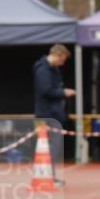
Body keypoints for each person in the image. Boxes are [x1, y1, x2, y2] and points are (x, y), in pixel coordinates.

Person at [33, 43, 75, 185]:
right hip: (47, 114)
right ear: (57, 55)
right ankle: (47, 177)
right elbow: (45, 90)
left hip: (55, 113)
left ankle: (48, 176)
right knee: (50, 147)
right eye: (62, 60)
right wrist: (63, 92)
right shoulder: (43, 70)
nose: (62, 63)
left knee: (53, 147)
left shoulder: (53, 69)